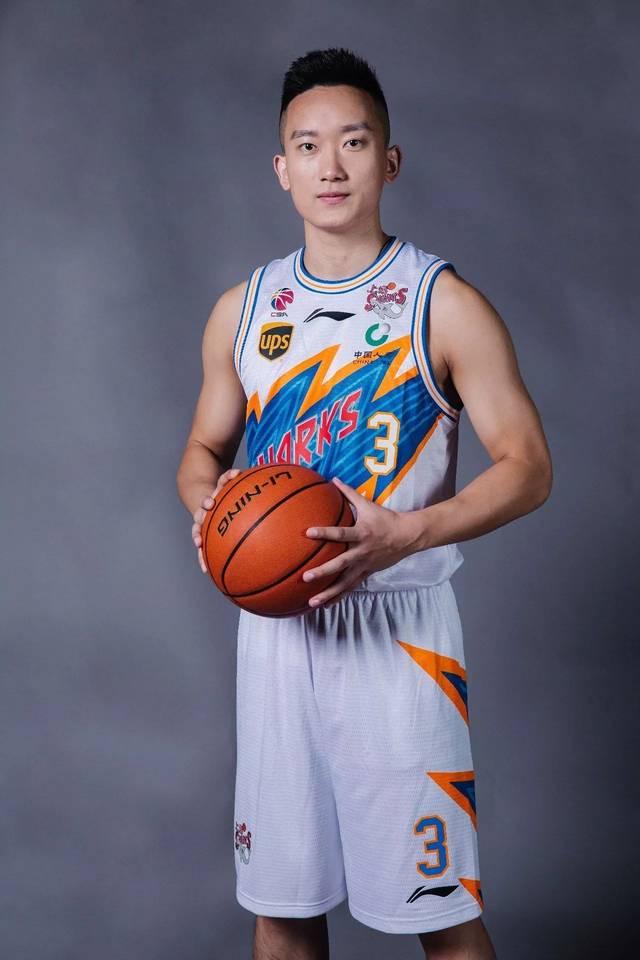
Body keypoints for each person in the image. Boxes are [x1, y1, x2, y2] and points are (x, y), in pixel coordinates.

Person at [176, 47, 552, 960]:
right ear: (283, 169)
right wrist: (210, 513)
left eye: (353, 142)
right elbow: (202, 454)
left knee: (439, 914)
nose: (331, 165)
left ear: (389, 159)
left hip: (399, 635)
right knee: (282, 910)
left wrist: (408, 533)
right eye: (308, 146)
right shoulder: (244, 308)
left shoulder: (443, 304)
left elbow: (529, 467)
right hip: (278, 633)